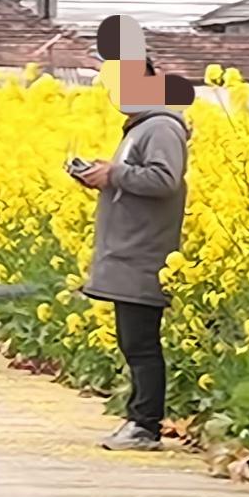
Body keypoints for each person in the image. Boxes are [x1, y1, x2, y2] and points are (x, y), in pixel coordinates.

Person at [77, 46, 191, 453]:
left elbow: (164, 180)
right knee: (134, 341)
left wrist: (114, 174)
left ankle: (145, 425)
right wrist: (104, 176)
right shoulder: (142, 127)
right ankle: (138, 418)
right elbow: (137, 178)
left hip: (144, 253)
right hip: (130, 251)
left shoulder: (160, 127)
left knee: (142, 343)